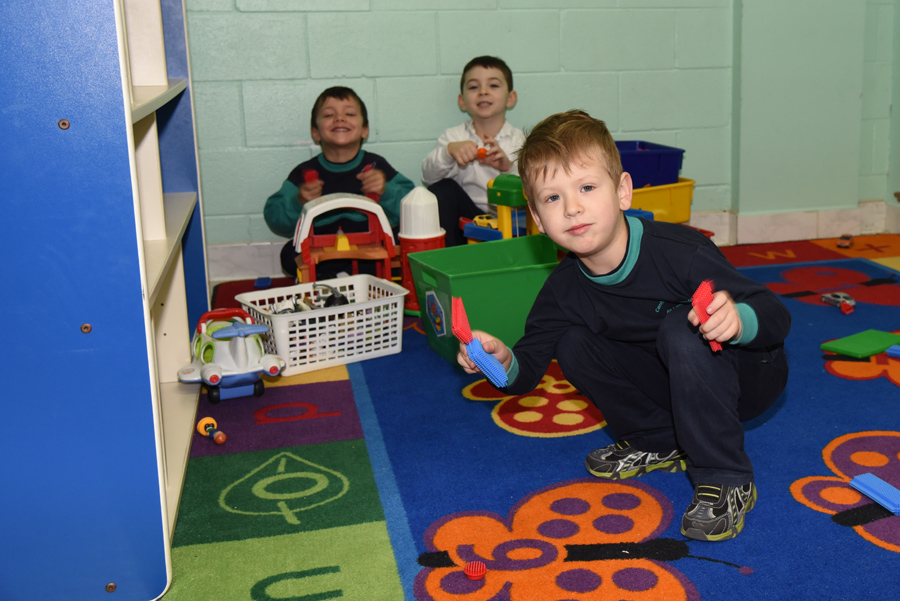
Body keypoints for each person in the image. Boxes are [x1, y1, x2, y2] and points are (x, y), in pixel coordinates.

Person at [457, 110, 791, 542]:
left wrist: (737, 319)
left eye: (587, 188)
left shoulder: (680, 251)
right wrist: (497, 359)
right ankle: (658, 438)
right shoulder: (562, 290)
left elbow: (776, 316)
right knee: (573, 342)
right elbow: (525, 372)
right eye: (552, 198)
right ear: (537, 219)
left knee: (679, 327)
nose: (572, 207)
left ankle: (726, 475)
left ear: (622, 192)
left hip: (749, 375)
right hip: (672, 384)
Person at [265, 86, 415, 277]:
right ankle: (333, 283)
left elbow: (412, 205)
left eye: (350, 113)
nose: (340, 118)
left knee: (403, 243)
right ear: (315, 133)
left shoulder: (376, 166)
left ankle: (355, 281)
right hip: (322, 254)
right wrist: (299, 201)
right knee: (289, 253)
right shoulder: (305, 173)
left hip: (369, 252)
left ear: (365, 130)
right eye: (328, 115)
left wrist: (385, 190)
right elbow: (273, 215)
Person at [421, 56, 525, 246]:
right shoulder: (453, 136)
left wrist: (507, 168)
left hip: (512, 226)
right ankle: (450, 261)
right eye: (473, 87)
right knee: (443, 188)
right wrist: (449, 152)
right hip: (466, 222)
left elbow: (535, 190)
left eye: (493, 85)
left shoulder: (520, 141)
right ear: (462, 101)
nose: (483, 92)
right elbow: (428, 177)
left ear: (511, 98)